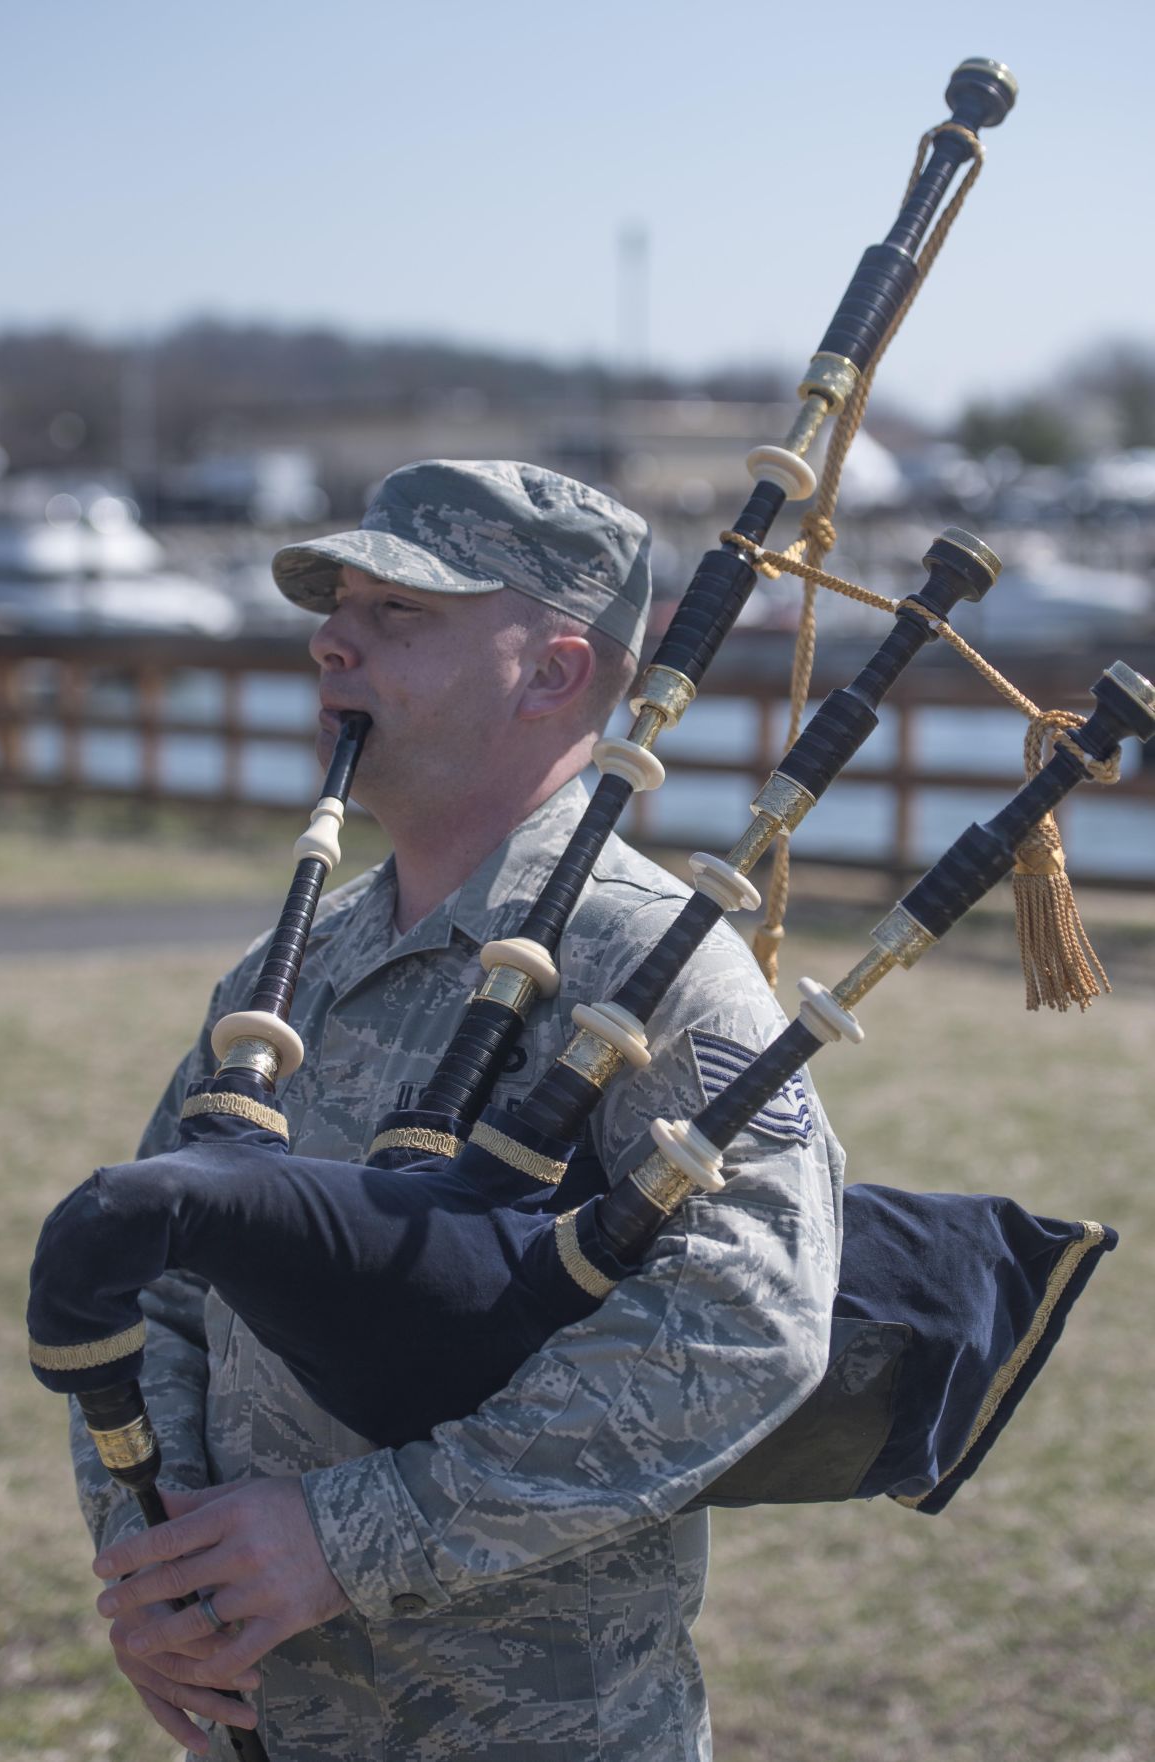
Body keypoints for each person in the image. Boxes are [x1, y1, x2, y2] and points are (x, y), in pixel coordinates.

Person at [73, 459, 845, 1762]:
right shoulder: (294, 963)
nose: (332, 640)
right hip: (273, 1719)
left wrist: (347, 1538)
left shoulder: (650, 965)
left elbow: (745, 1325)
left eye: (399, 612)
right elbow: (154, 1272)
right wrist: (157, 1562)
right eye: (337, 607)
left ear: (552, 671)